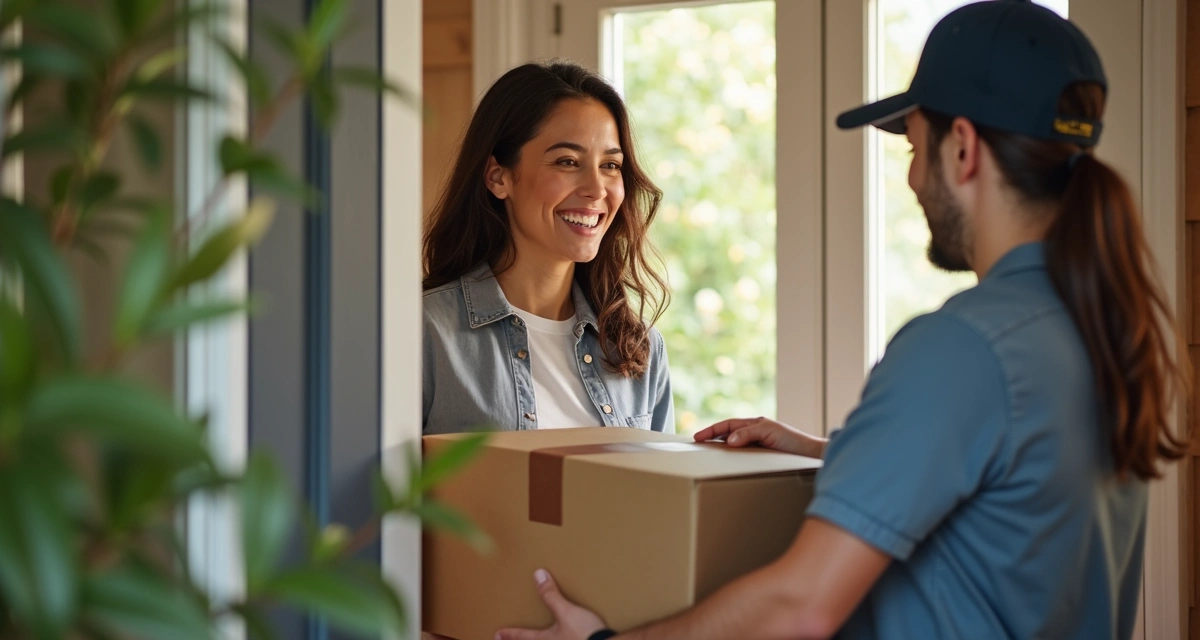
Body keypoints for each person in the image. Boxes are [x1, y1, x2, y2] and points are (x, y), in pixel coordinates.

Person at [495, 2, 1189, 639]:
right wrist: (823, 450)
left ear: (964, 149)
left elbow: (801, 604)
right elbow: (1007, 487)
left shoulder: (961, 349)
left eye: (915, 149)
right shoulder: (1101, 329)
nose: (915, 180)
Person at [422, 61, 674, 435]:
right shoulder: (423, 331)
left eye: (610, 165)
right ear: (499, 177)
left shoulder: (639, 350)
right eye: (567, 161)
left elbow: (660, 492)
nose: (597, 188)